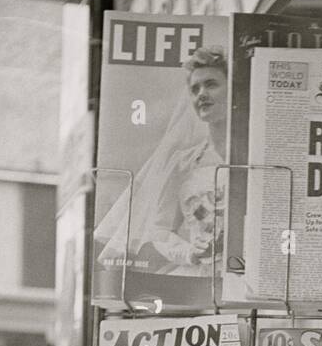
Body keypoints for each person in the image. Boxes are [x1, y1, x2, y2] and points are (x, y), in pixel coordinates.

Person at [95, 46, 230, 280]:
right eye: (195, 89)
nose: (201, 94)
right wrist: (190, 252)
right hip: (200, 277)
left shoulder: (256, 155)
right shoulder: (184, 162)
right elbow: (159, 230)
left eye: (211, 84)